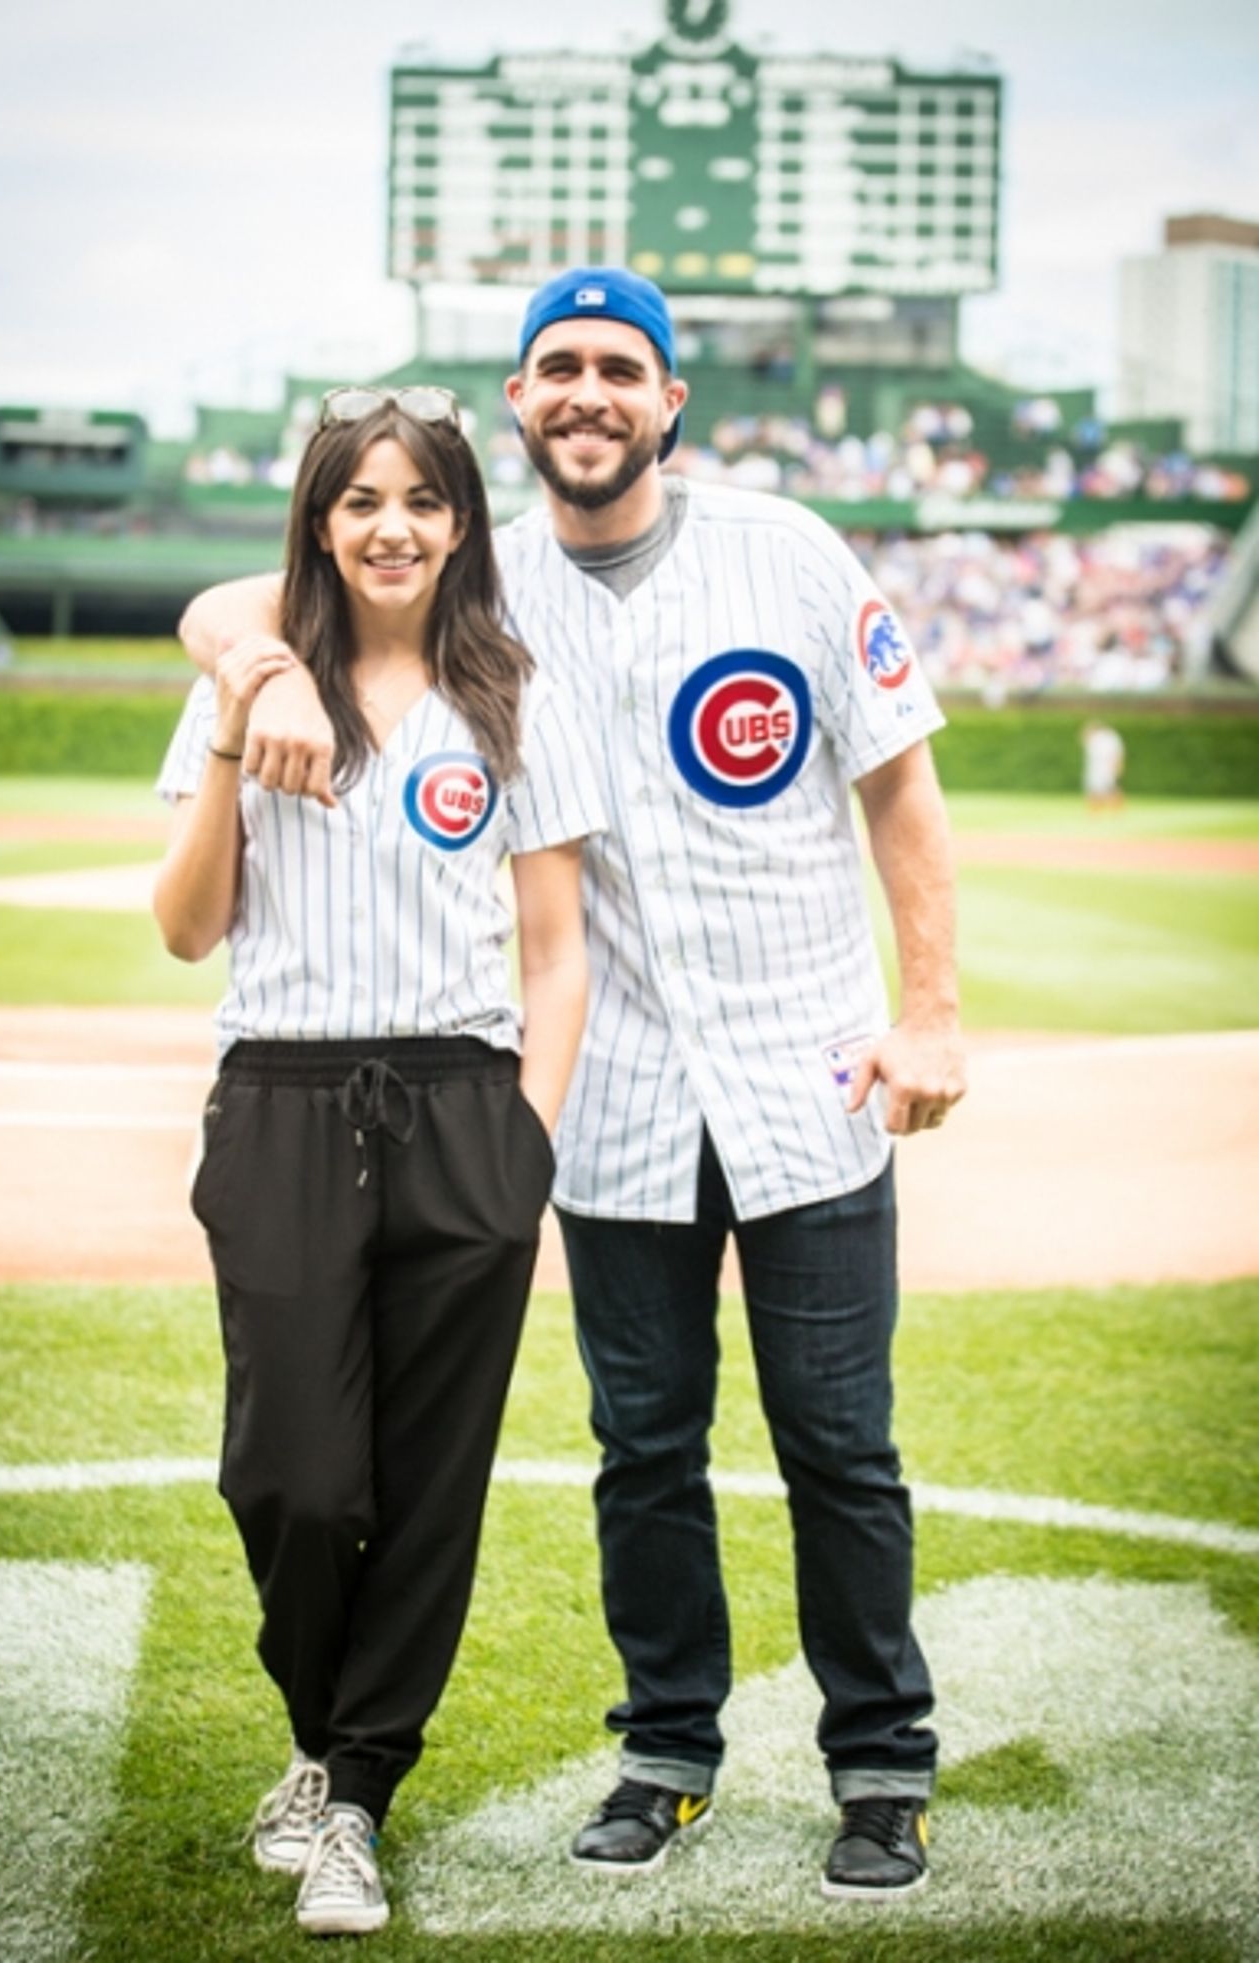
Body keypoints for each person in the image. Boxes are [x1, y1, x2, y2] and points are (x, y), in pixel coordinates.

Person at [179, 270, 967, 1903]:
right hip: (617, 1102)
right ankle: (667, 1750)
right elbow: (241, 598)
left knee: (841, 1441)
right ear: (520, 402)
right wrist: (265, 669)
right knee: (644, 1445)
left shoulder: (790, 552)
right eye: (558, 366)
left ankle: (881, 1764)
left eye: (621, 365)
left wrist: (933, 1010)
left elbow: (899, 781)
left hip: (807, 1071)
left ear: (671, 398)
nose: (588, 391)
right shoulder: (482, 581)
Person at [155, 384, 603, 1939]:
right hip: (280, 1097)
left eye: (421, 499)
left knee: (427, 1487)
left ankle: (352, 1794)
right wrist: (239, 714)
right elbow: (187, 927)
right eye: (361, 500)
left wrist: (526, 1142)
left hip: (464, 1108)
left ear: (462, 522)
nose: (392, 526)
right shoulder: (247, 677)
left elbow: (558, 950)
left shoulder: (516, 695)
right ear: (321, 519)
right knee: (288, 1474)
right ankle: (320, 1730)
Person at [1081, 717, 1126, 810]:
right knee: (1094, 790)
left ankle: (1116, 809)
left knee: (1110, 789)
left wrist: (1117, 767)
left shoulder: (1111, 737)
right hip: (1095, 769)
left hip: (1107, 769)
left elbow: (1117, 754)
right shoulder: (1094, 738)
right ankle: (1095, 809)